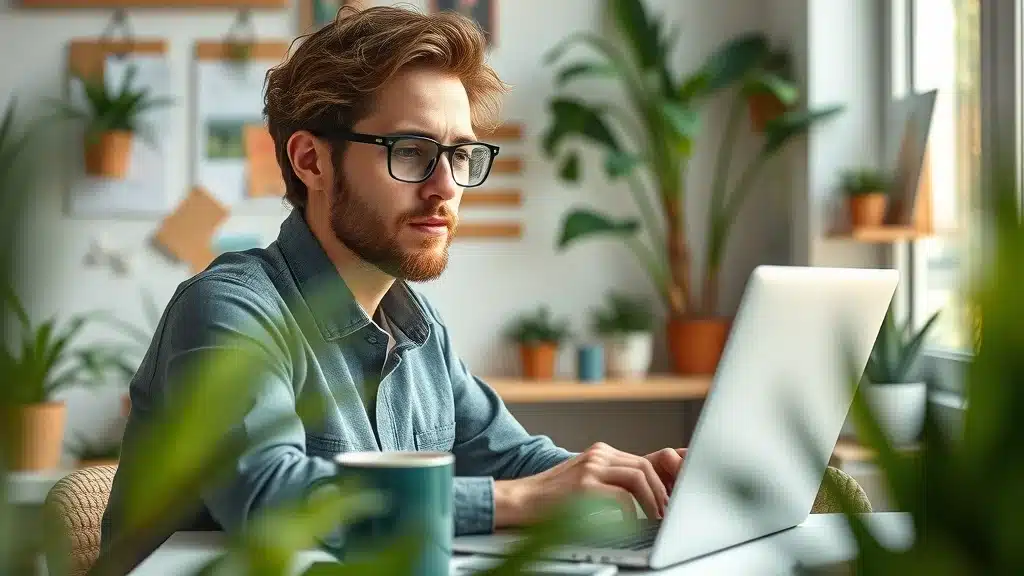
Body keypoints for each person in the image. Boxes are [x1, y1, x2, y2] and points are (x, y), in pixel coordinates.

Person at [100, 4, 686, 568]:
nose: (445, 187)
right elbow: (268, 496)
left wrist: (633, 479)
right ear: (311, 161)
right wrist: (525, 500)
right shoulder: (228, 307)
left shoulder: (417, 330)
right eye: (411, 151)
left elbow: (516, 460)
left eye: (459, 154)